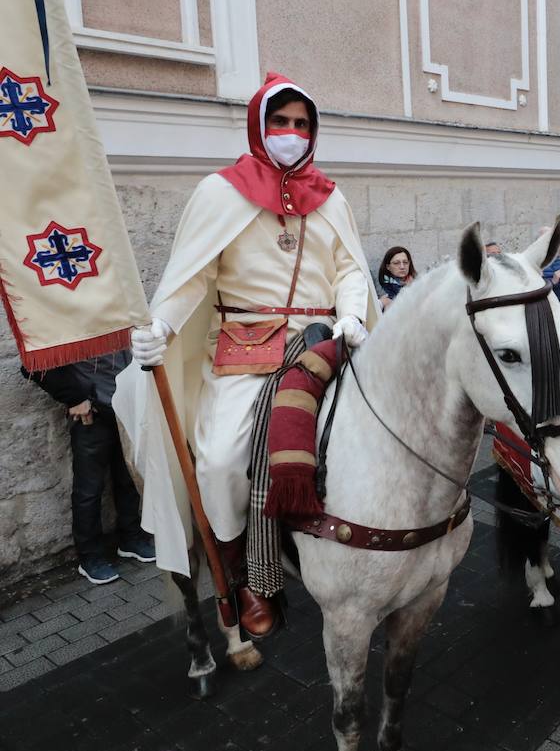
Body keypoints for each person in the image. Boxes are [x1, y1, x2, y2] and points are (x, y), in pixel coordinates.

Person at [122, 73, 378, 638]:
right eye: (281, 122)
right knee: (220, 461)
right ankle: (242, 576)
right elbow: (195, 275)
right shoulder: (220, 191)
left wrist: (354, 314)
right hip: (245, 344)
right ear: (260, 127)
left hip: (319, 339)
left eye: (302, 124)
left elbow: (350, 269)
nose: (291, 132)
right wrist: (162, 324)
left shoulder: (332, 197)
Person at [23, 353, 155, 584]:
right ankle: (90, 557)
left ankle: (131, 538)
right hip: (91, 413)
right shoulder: (64, 318)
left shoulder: (120, 315)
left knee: (129, 475)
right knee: (89, 490)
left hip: (128, 405)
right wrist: (74, 398)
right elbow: (31, 362)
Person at [377, 246, 416, 310]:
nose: (402, 267)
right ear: (388, 267)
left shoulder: (418, 283)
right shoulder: (384, 289)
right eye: (396, 263)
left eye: (405, 262)